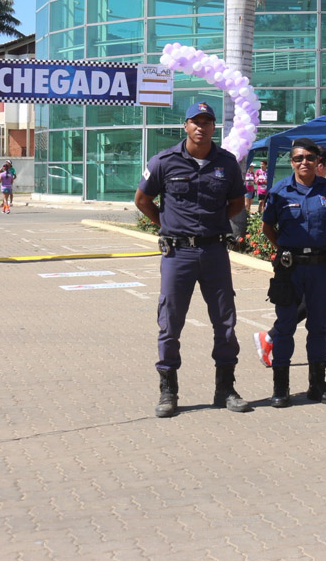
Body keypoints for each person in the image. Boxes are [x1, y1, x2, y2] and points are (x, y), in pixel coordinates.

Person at [135, 102, 249, 418]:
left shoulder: (226, 163)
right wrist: (168, 224)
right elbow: (142, 200)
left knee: (225, 322)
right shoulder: (163, 161)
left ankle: (225, 389)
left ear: (213, 127)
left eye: (207, 121)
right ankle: (168, 391)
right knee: (170, 323)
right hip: (178, 253)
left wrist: (213, 224)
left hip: (214, 252)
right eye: (195, 121)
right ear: (185, 126)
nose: (201, 127)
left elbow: (236, 203)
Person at [261, 138, 326, 408]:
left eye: (309, 158)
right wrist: (285, 249)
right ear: (291, 162)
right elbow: (267, 227)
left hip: (321, 268)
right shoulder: (280, 191)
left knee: (318, 327)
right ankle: (281, 388)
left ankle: (317, 386)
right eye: (298, 158)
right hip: (290, 269)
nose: (304, 162)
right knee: (285, 326)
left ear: (318, 161)